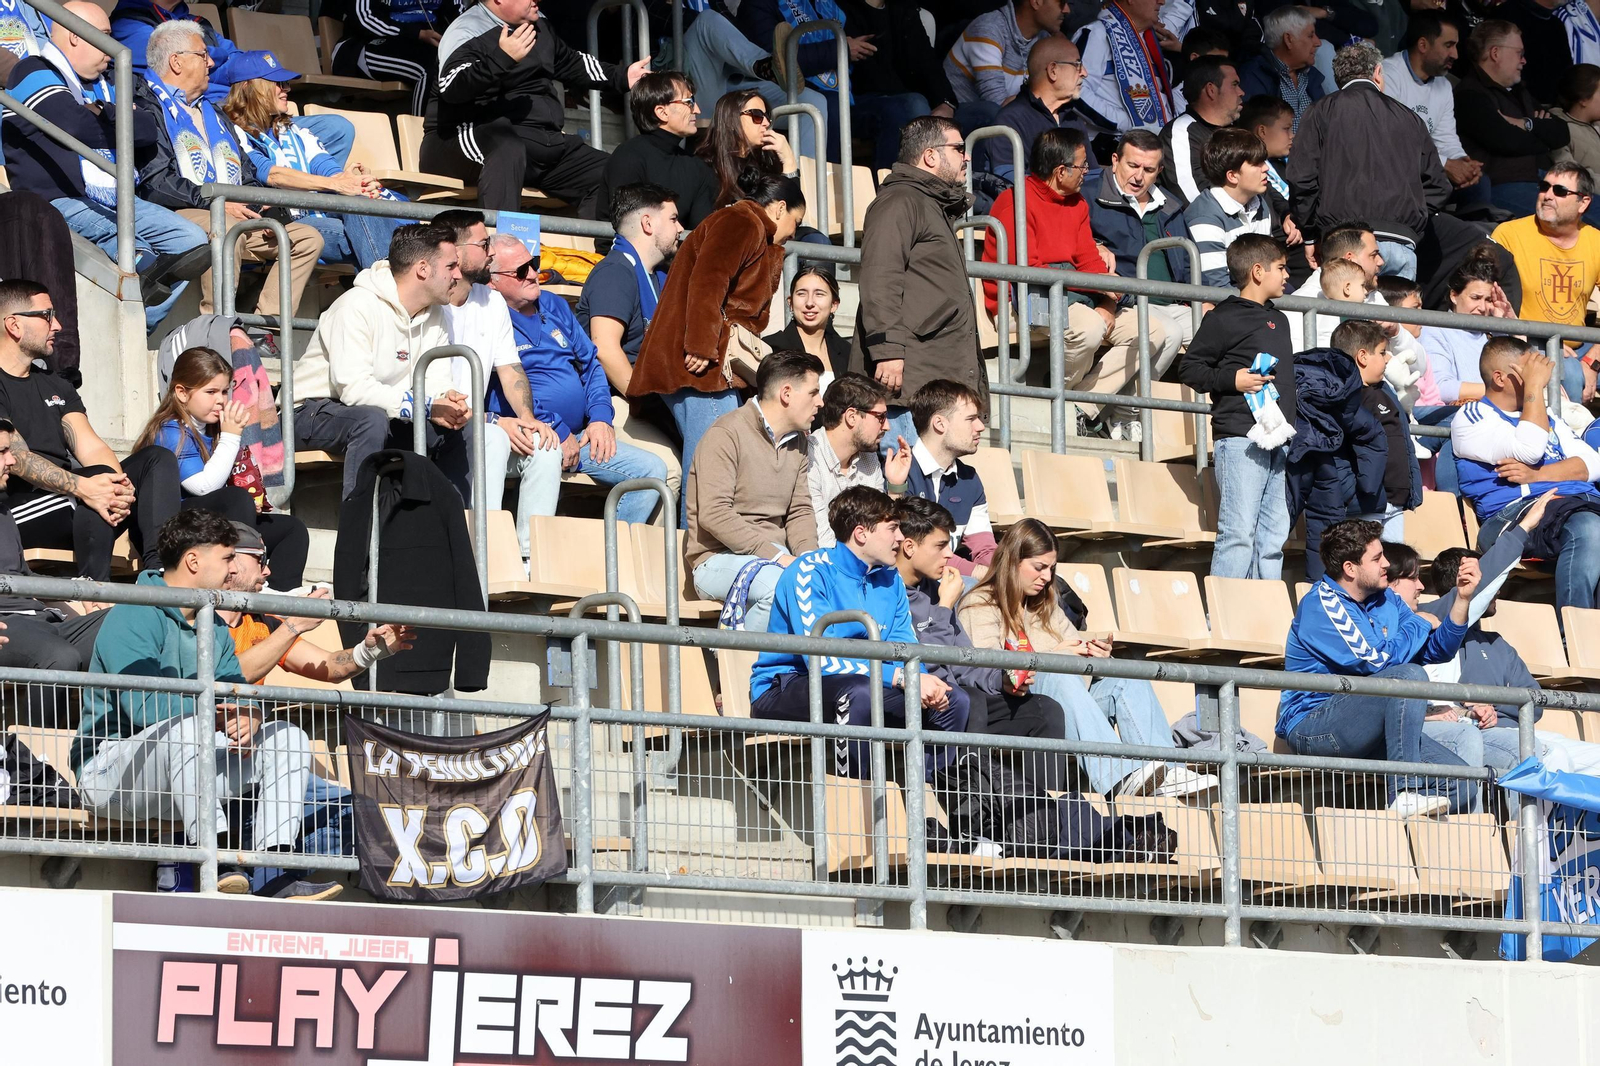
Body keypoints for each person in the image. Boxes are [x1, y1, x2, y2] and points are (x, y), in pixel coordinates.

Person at [72, 509, 338, 900]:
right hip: (110, 776)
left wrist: (247, 714)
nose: (234, 569)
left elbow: (231, 688)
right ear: (193, 561)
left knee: (288, 736)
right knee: (187, 729)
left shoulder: (211, 621)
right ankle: (218, 863)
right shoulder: (134, 610)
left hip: (183, 770)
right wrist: (219, 713)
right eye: (228, 558)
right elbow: (145, 709)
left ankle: (275, 868)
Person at [956, 516, 1218, 798]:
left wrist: (1095, 657)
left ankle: (1165, 770)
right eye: (1039, 567)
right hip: (1020, 705)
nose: (1046, 577)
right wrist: (1054, 657)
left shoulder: (1047, 603)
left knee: (1127, 678)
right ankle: (1119, 775)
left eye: (1051, 568)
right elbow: (989, 669)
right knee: (1058, 675)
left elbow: (1073, 651)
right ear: (1013, 561)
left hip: (1069, 701)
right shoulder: (979, 603)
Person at [0, 1, 210, 331]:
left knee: (193, 244)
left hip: (115, 196)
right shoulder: (33, 70)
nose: (112, 52)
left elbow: (147, 129)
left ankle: (140, 327)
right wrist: (111, 117)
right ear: (73, 36)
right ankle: (127, 333)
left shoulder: (107, 81)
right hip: (59, 198)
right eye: (105, 37)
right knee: (141, 256)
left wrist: (99, 110)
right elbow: (75, 126)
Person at [750, 485, 970, 779]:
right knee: (857, 694)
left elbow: (906, 647)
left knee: (953, 700)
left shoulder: (889, 577)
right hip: (788, 685)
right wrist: (901, 678)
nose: (901, 537)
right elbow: (822, 660)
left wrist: (916, 678)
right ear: (861, 533)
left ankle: (929, 805)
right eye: (892, 528)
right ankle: (857, 805)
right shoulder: (809, 572)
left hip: (867, 685)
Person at [629, 171, 806, 525]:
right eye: (795, 221)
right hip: (699, 368)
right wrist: (701, 344)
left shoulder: (749, 226)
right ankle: (694, 562)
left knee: (715, 466)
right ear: (779, 208)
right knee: (710, 469)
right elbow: (709, 280)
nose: (794, 231)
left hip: (712, 368)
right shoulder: (740, 221)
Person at [1278, 518, 1479, 817]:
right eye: (1376, 558)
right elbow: (1377, 662)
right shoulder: (1323, 605)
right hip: (1314, 727)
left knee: (1463, 783)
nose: (1386, 563)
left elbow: (1436, 649)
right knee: (1408, 675)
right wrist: (1422, 622)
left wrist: (1462, 601)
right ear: (1350, 569)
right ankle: (1403, 792)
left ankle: (1399, 838)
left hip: (1369, 723)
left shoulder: (1385, 598)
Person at [982, 126, 1168, 441]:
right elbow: (1029, 271)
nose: (1087, 171)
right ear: (1060, 171)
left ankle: (1079, 405)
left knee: (1153, 332)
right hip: (1024, 299)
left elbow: (1087, 260)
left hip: (1071, 293)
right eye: (1082, 165)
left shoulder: (1077, 203)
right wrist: (1094, 289)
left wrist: (1109, 296)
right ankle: (1062, 399)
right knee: (1089, 327)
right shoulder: (1015, 200)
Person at [135, 22, 325, 323]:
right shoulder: (146, 105)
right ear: (176, 61)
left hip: (228, 209)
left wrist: (257, 205)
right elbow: (157, 181)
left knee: (306, 238)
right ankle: (216, 325)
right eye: (202, 54)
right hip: (180, 210)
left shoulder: (213, 112)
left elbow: (246, 173)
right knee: (225, 229)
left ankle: (268, 329)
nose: (211, 62)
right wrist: (218, 203)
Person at [487, 232, 669, 540]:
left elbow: (592, 365)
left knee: (653, 471)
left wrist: (600, 418)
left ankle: (615, 564)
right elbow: (501, 392)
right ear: (492, 280)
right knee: (545, 454)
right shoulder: (489, 317)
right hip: (534, 435)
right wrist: (557, 430)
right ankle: (529, 559)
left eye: (533, 263)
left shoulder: (554, 305)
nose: (533, 274)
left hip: (583, 435)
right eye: (521, 271)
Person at [0, 280, 180, 579]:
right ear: (14, 325)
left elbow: (92, 447)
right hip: (23, 508)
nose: (56, 325)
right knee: (94, 482)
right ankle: (96, 591)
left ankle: (158, 574)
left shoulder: (56, 384)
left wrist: (119, 489)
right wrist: (86, 487)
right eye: (47, 315)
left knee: (155, 459)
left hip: (76, 501)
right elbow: (15, 457)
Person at [892, 496, 1071, 792]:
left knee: (1045, 711)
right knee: (969, 700)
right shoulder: (890, 592)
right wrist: (945, 606)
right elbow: (931, 665)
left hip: (956, 697)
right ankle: (975, 812)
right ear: (910, 547)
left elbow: (965, 660)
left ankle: (1041, 819)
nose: (949, 555)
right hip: (917, 697)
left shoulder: (935, 590)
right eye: (940, 546)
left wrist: (1001, 680)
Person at [292, 223, 474, 503]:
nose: (458, 275)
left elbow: (436, 381)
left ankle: (454, 531)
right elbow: (354, 390)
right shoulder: (355, 306)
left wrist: (447, 402)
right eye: (451, 266)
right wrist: (426, 406)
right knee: (370, 420)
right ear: (423, 269)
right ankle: (360, 536)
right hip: (310, 411)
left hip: (385, 413)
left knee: (462, 429)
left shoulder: (435, 314)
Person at [421, 0, 650, 215]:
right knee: (506, 149)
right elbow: (451, 87)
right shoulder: (466, 30)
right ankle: (504, 249)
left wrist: (622, 76)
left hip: (537, 143)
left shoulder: (537, 24)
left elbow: (571, 62)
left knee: (611, 173)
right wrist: (502, 58)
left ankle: (595, 255)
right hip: (459, 139)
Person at [849, 117, 984, 448]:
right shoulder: (900, 202)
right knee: (901, 492)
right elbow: (880, 278)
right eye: (959, 148)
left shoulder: (930, 206)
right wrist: (888, 351)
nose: (966, 157)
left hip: (929, 385)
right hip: (906, 389)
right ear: (931, 156)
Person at [1419, 535, 1600, 777]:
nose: (1499, 590)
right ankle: (1530, 818)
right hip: (1474, 735)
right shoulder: (1427, 633)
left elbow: (1534, 704)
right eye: (1489, 583)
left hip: (1517, 731)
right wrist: (1471, 705)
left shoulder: (1497, 643)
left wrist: (1492, 702)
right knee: (1553, 757)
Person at [133, 346, 311, 591]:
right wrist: (230, 437)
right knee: (235, 500)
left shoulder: (217, 429)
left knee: (291, 529)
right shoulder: (171, 430)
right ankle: (238, 579)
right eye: (211, 391)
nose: (221, 400)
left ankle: (276, 601)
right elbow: (203, 487)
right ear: (182, 393)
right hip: (177, 528)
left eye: (225, 391)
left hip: (210, 524)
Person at [1176, 233, 1297, 580]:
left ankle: (1263, 614)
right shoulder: (1223, 317)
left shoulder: (1281, 319)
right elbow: (1190, 368)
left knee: (1273, 538)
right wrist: (1234, 380)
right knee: (1238, 533)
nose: (1287, 275)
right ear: (1258, 271)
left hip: (1279, 438)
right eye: (1281, 268)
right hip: (1241, 438)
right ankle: (1226, 613)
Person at [110, 0, 356, 164]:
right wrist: (219, 57)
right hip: (205, 117)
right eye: (202, 54)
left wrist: (205, 56)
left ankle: (311, 200)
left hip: (240, 110)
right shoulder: (129, 22)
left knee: (337, 129)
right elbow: (167, 60)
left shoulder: (198, 22)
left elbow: (238, 60)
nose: (208, 61)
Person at [1452, 340, 1600, 611]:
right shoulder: (1472, 417)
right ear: (1500, 378)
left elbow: (1593, 464)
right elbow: (1528, 450)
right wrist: (1534, 387)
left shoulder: (1549, 417)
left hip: (1574, 504)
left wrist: (1538, 474)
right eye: (1528, 370)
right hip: (1512, 517)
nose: (1540, 377)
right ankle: (1576, 637)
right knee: (1588, 528)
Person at [684, 349, 825, 633]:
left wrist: (810, 560)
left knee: (826, 585)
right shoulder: (726, 433)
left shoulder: (799, 443)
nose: (820, 403)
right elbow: (714, 514)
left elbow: (799, 511)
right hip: (717, 559)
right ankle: (742, 671)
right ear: (787, 393)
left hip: (774, 557)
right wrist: (775, 555)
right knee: (779, 588)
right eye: (813, 393)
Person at [431, 208, 560, 513]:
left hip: (476, 425)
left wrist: (528, 419)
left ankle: (529, 557)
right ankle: (482, 551)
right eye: (484, 245)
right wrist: (492, 420)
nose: (491, 253)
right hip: (436, 422)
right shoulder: (431, 301)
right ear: (455, 252)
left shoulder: (491, 301)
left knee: (545, 446)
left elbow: (511, 369)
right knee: (492, 438)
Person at [1286, 42, 1450, 282]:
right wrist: (1410, 217)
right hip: (1400, 242)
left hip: (1345, 242)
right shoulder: (1411, 118)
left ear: (1339, 78)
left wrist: (1311, 234)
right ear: (1377, 72)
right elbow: (1439, 185)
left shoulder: (1320, 110)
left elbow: (1302, 177)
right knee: (1395, 319)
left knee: (1350, 319)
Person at [220, 73, 408, 273]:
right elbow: (270, 174)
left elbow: (328, 168)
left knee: (361, 203)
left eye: (287, 83)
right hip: (285, 221)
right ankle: (390, 289)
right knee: (376, 234)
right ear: (251, 86)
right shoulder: (235, 132)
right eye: (279, 84)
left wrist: (355, 182)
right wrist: (338, 185)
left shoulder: (294, 131)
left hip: (318, 212)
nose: (287, 89)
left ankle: (386, 290)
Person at [736, 0, 948, 168]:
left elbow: (877, 48)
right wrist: (840, 49)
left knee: (909, 104)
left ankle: (893, 195)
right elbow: (774, 61)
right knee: (828, 105)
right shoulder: (758, 3)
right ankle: (828, 199)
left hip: (848, 99)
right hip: (794, 97)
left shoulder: (829, 5)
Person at [576, 183, 686, 505]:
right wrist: (646, 403)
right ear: (648, 224)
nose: (681, 228)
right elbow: (606, 350)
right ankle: (630, 554)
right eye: (674, 219)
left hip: (653, 400)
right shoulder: (615, 272)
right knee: (667, 472)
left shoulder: (659, 275)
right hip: (620, 401)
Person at [220, 521, 415, 687]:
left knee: (292, 733)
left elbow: (330, 667)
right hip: (200, 725)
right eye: (260, 559)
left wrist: (371, 650)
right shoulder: (197, 618)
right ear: (230, 560)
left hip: (242, 727)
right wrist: (294, 625)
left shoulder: (265, 624)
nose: (267, 571)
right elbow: (224, 674)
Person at [0, 420, 110, 711]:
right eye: (2, 452)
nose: (11, 460)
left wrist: (76, 595)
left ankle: (115, 744)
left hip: (43, 619)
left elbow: (24, 576)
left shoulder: (3, 509)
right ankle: (36, 753)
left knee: (128, 626)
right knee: (59, 657)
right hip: (8, 626)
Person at [1087, 127, 1194, 388]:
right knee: (1169, 333)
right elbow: (1071, 239)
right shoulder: (1089, 194)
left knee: (1221, 332)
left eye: (1148, 170)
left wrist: (1198, 298)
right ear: (1115, 161)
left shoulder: (1171, 205)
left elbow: (1188, 260)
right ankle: (1129, 411)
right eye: (1132, 165)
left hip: (1174, 303)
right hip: (1125, 301)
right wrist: (1095, 244)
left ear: (1159, 172)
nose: (1138, 177)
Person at [1491, 163, 1600, 403]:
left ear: (1583, 203)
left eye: (1560, 191)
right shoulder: (1509, 234)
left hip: (1580, 346)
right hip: (1524, 342)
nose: (1548, 195)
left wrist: (1594, 360)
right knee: (1568, 371)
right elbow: (1488, 301)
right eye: (1544, 187)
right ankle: (1564, 438)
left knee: (1572, 366)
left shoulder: (1596, 241)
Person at [665, 4, 826, 162]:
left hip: (732, 75)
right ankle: (766, 66)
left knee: (813, 104)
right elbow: (660, 19)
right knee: (707, 19)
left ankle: (804, 183)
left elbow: (734, 26)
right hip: (689, 80)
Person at [1455, 20, 1570, 216]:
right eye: (1519, 53)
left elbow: (1562, 132)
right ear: (1495, 53)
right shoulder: (1469, 94)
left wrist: (1525, 124)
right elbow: (1507, 141)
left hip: (1540, 182)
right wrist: (1542, 133)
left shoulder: (1519, 91)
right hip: (1502, 187)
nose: (1524, 60)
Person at [1380, 12, 1486, 207]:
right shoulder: (1387, 75)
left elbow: (1445, 138)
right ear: (1423, 45)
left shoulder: (1443, 85)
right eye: (1448, 45)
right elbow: (1392, 142)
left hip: (1429, 169)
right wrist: (1445, 164)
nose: (1455, 54)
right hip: (1392, 172)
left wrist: (1462, 162)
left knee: (1479, 185)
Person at [595, 71, 718, 229]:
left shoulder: (697, 167)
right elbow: (625, 231)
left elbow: (701, 235)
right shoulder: (629, 157)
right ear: (662, 112)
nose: (697, 110)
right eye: (689, 101)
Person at [904, 379, 995, 577]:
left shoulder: (969, 479)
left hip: (948, 581)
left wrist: (1003, 572)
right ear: (939, 423)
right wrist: (981, 574)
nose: (980, 426)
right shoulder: (900, 470)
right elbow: (919, 552)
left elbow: (985, 548)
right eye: (971, 419)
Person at [807, 373, 911, 547]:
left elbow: (882, 531)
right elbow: (823, 542)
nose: (887, 426)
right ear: (851, 417)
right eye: (880, 417)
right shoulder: (809, 458)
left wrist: (894, 487)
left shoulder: (868, 458)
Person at [973, 35, 1089, 186]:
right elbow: (1009, 184)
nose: (1084, 73)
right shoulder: (1011, 120)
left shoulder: (1073, 119)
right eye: (1077, 64)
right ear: (1053, 70)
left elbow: (1092, 177)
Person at [1349, 321, 1424, 540]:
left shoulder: (1384, 389)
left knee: (1392, 566)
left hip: (1395, 500)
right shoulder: (1350, 397)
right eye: (1382, 353)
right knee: (1365, 562)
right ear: (1362, 357)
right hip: (1368, 502)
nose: (1387, 359)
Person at [946, 0, 1067, 134]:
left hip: (1003, 120)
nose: (1067, 10)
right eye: (1061, 3)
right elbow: (996, 101)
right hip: (956, 119)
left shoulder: (1044, 40)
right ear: (1036, 2)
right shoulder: (989, 28)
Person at [324, 0, 460, 116]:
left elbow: (459, 15)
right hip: (367, 44)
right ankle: (419, 139)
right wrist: (417, 33)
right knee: (429, 70)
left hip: (425, 44)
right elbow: (365, 18)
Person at [1182, 127, 1274, 287]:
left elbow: (1271, 267)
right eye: (1256, 164)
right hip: (1231, 306)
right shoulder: (1204, 217)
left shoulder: (1259, 203)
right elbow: (1217, 287)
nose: (1266, 168)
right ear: (1232, 176)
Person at [1418, 249, 1511, 405]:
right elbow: (1440, 387)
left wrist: (1509, 322)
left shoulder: (1496, 332)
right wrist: (1500, 391)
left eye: (1488, 300)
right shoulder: (1435, 330)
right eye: (1475, 298)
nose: (1482, 307)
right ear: (1454, 296)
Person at [1074, 0, 1179, 137]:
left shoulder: (1153, 42)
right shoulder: (1097, 33)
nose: (1162, 2)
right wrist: (1127, 124)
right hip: (1113, 146)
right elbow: (1076, 91)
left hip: (1157, 146)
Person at [1158, 56, 1244, 204]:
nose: (1241, 92)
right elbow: (1193, 198)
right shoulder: (1181, 133)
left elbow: (1263, 183)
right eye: (1234, 84)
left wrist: (1285, 214)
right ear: (1211, 90)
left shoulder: (1237, 132)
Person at [1239, 6, 1324, 131]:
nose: (1318, 42)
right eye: (1310, 36)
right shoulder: (1254, 76)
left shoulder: (1311, 75)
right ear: (1288, 39)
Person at [765, 262, 850, 377]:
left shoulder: (847, 352)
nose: (809, 303)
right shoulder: (772, 348)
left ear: (834, 305)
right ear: (790, 303)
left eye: (819, 294)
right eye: (801, 294)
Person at [1552, 63, 1600, 225]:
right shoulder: (1558, 129)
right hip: (1588, 199)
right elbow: (1572, 176)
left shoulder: (1597, 126)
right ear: (1583, 99)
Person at [1501, 0, 1573, 108]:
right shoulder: (1507, 14)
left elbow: (1567, 75)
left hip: (1554, 112)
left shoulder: (1556, 24)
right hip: (1517, 109)